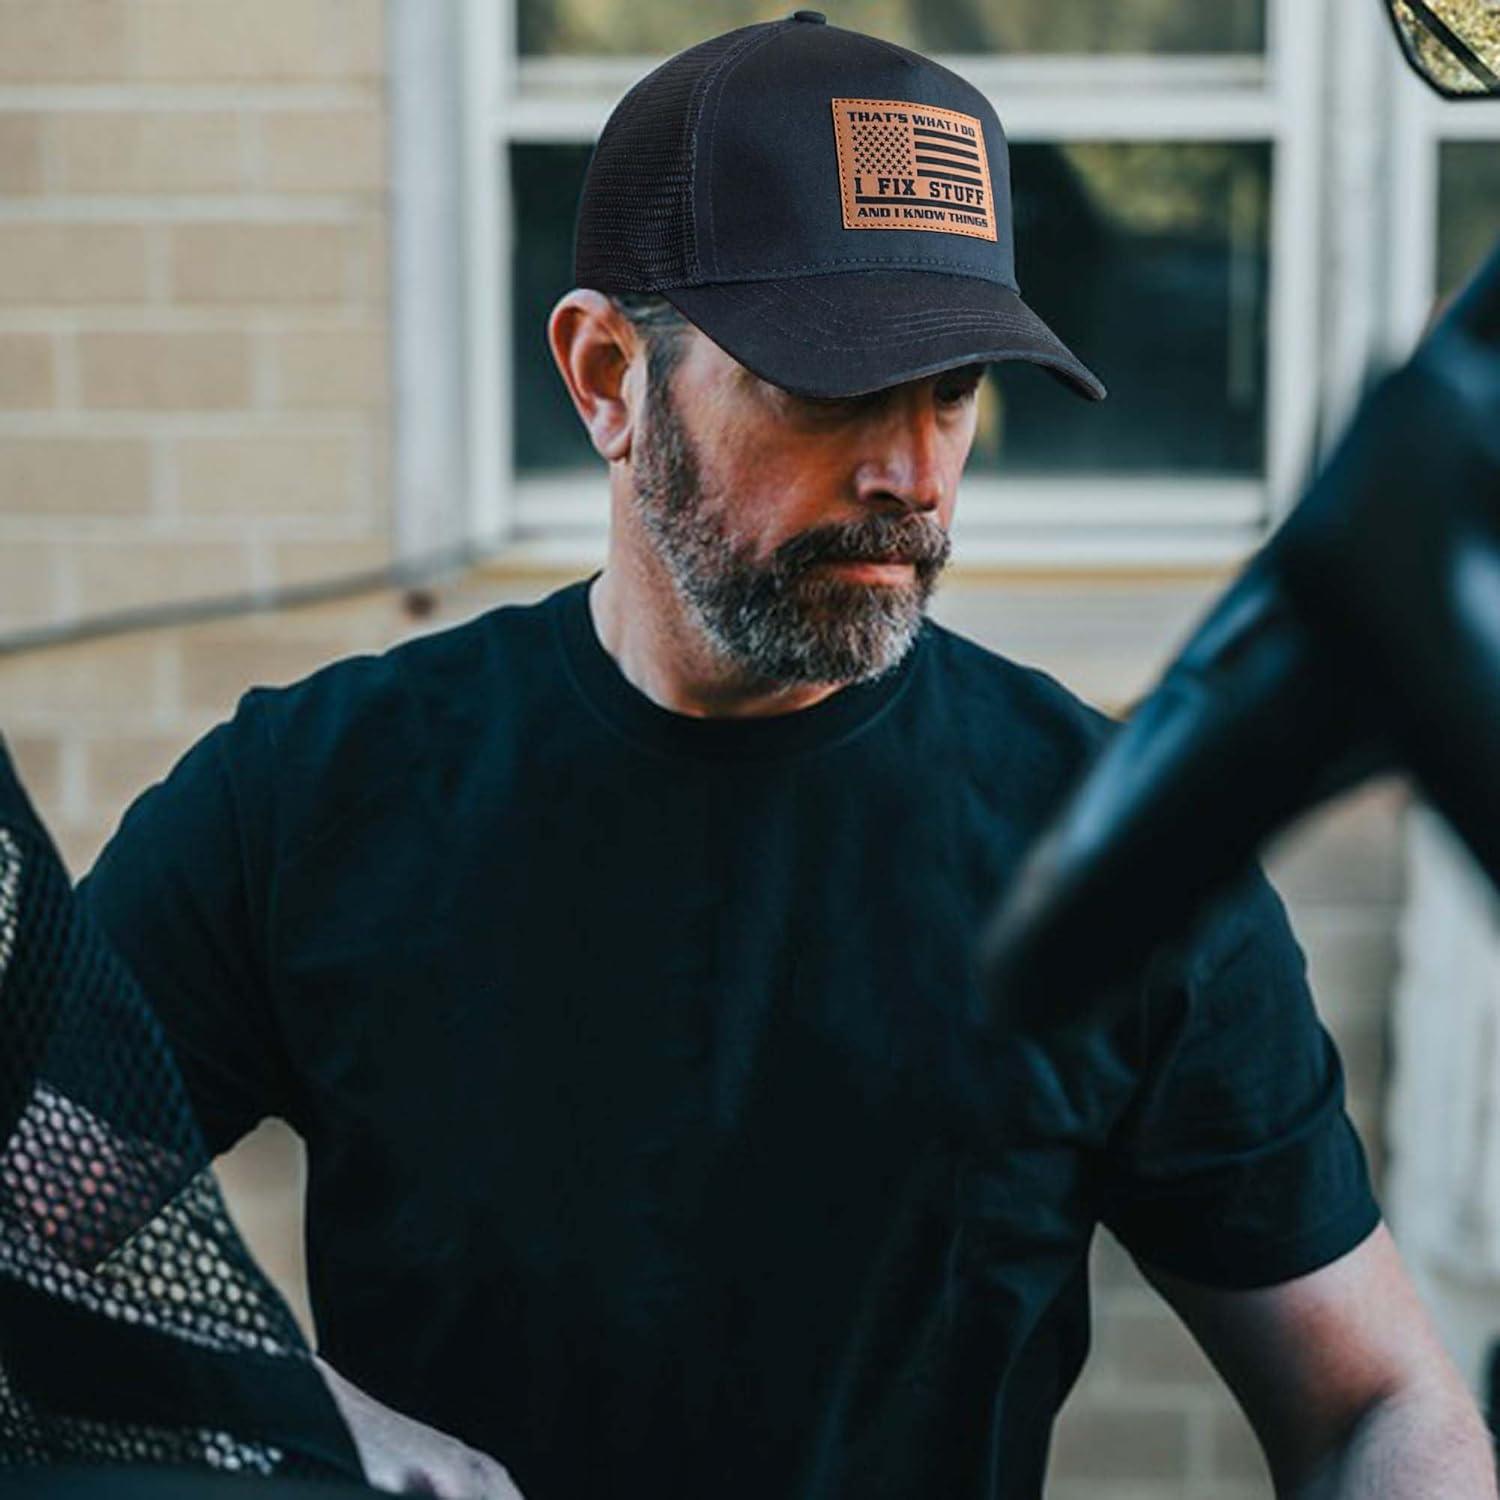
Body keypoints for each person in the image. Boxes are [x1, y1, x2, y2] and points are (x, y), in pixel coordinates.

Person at [77, 14, 1494, 1499]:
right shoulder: (308, 801)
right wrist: (307, 1418)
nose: (914, 475)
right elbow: (28, 1231)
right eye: (832, 392)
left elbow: (1376, 1404)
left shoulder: (1119, 850)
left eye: (952, 391)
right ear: (608, 376)